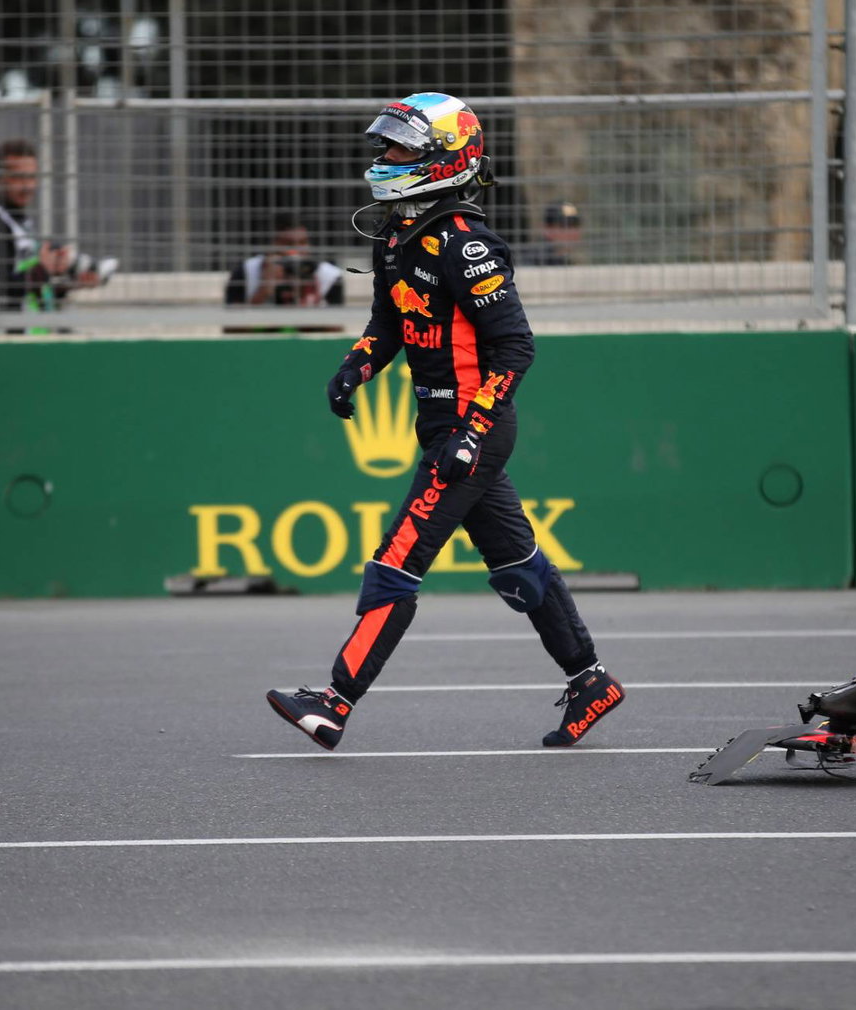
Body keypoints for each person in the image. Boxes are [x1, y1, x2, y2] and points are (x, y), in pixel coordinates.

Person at [266, 92, 624, 750]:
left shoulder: (467, 244)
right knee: (516, 564)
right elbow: (388, 323)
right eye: (386, 145)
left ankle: (335, 701)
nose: (385, 157)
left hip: (471, 428)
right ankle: (591, 682)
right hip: (439, 426)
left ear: (443, 160)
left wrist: (473, 432)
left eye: (400, 148)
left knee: (395, 561)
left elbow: (516, 348)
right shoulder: (396, 234)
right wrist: (355, 367)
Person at [0, 138, 108, 317]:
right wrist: (43, 268)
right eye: (18, 177)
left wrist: (72, 283)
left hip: (27, 335)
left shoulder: (19, 223)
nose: (28, 186)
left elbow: (32, 290)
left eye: (32, 177)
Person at [223, 211, 345, 308]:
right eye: (288, 244)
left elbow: (337, 329)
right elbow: (230, 328)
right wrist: (263, 291)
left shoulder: (330, 276)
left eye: (302, 243)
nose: (297, 251)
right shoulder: (246, 271)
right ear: (271, 246)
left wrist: (308, 298)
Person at [520, 200, 583, 266]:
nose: (572, 232)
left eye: (575, 225)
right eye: (564, 226)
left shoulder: (563, 260)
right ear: (547, 229)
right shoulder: (532, 260)